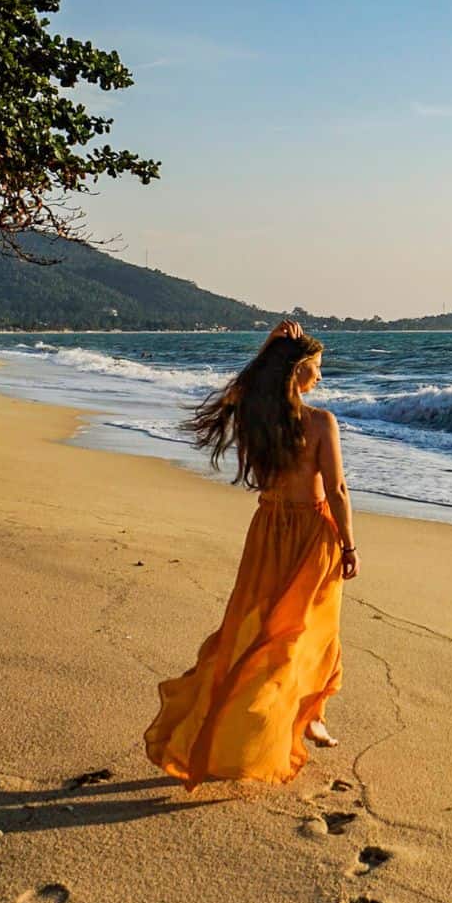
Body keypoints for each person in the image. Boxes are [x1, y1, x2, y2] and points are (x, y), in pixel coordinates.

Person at [144, 319, 359, 788]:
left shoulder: (255, 417)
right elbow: (338, 489)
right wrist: (349, 544)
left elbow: (235, 390)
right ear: (298, 370)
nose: (321, 377)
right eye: (317, 368)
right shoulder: (320, 422)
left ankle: (297, 716)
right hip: (310, 536)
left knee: (259, 628)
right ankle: (306, 714)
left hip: (266, 531)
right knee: (311, 629)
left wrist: (267, 350)